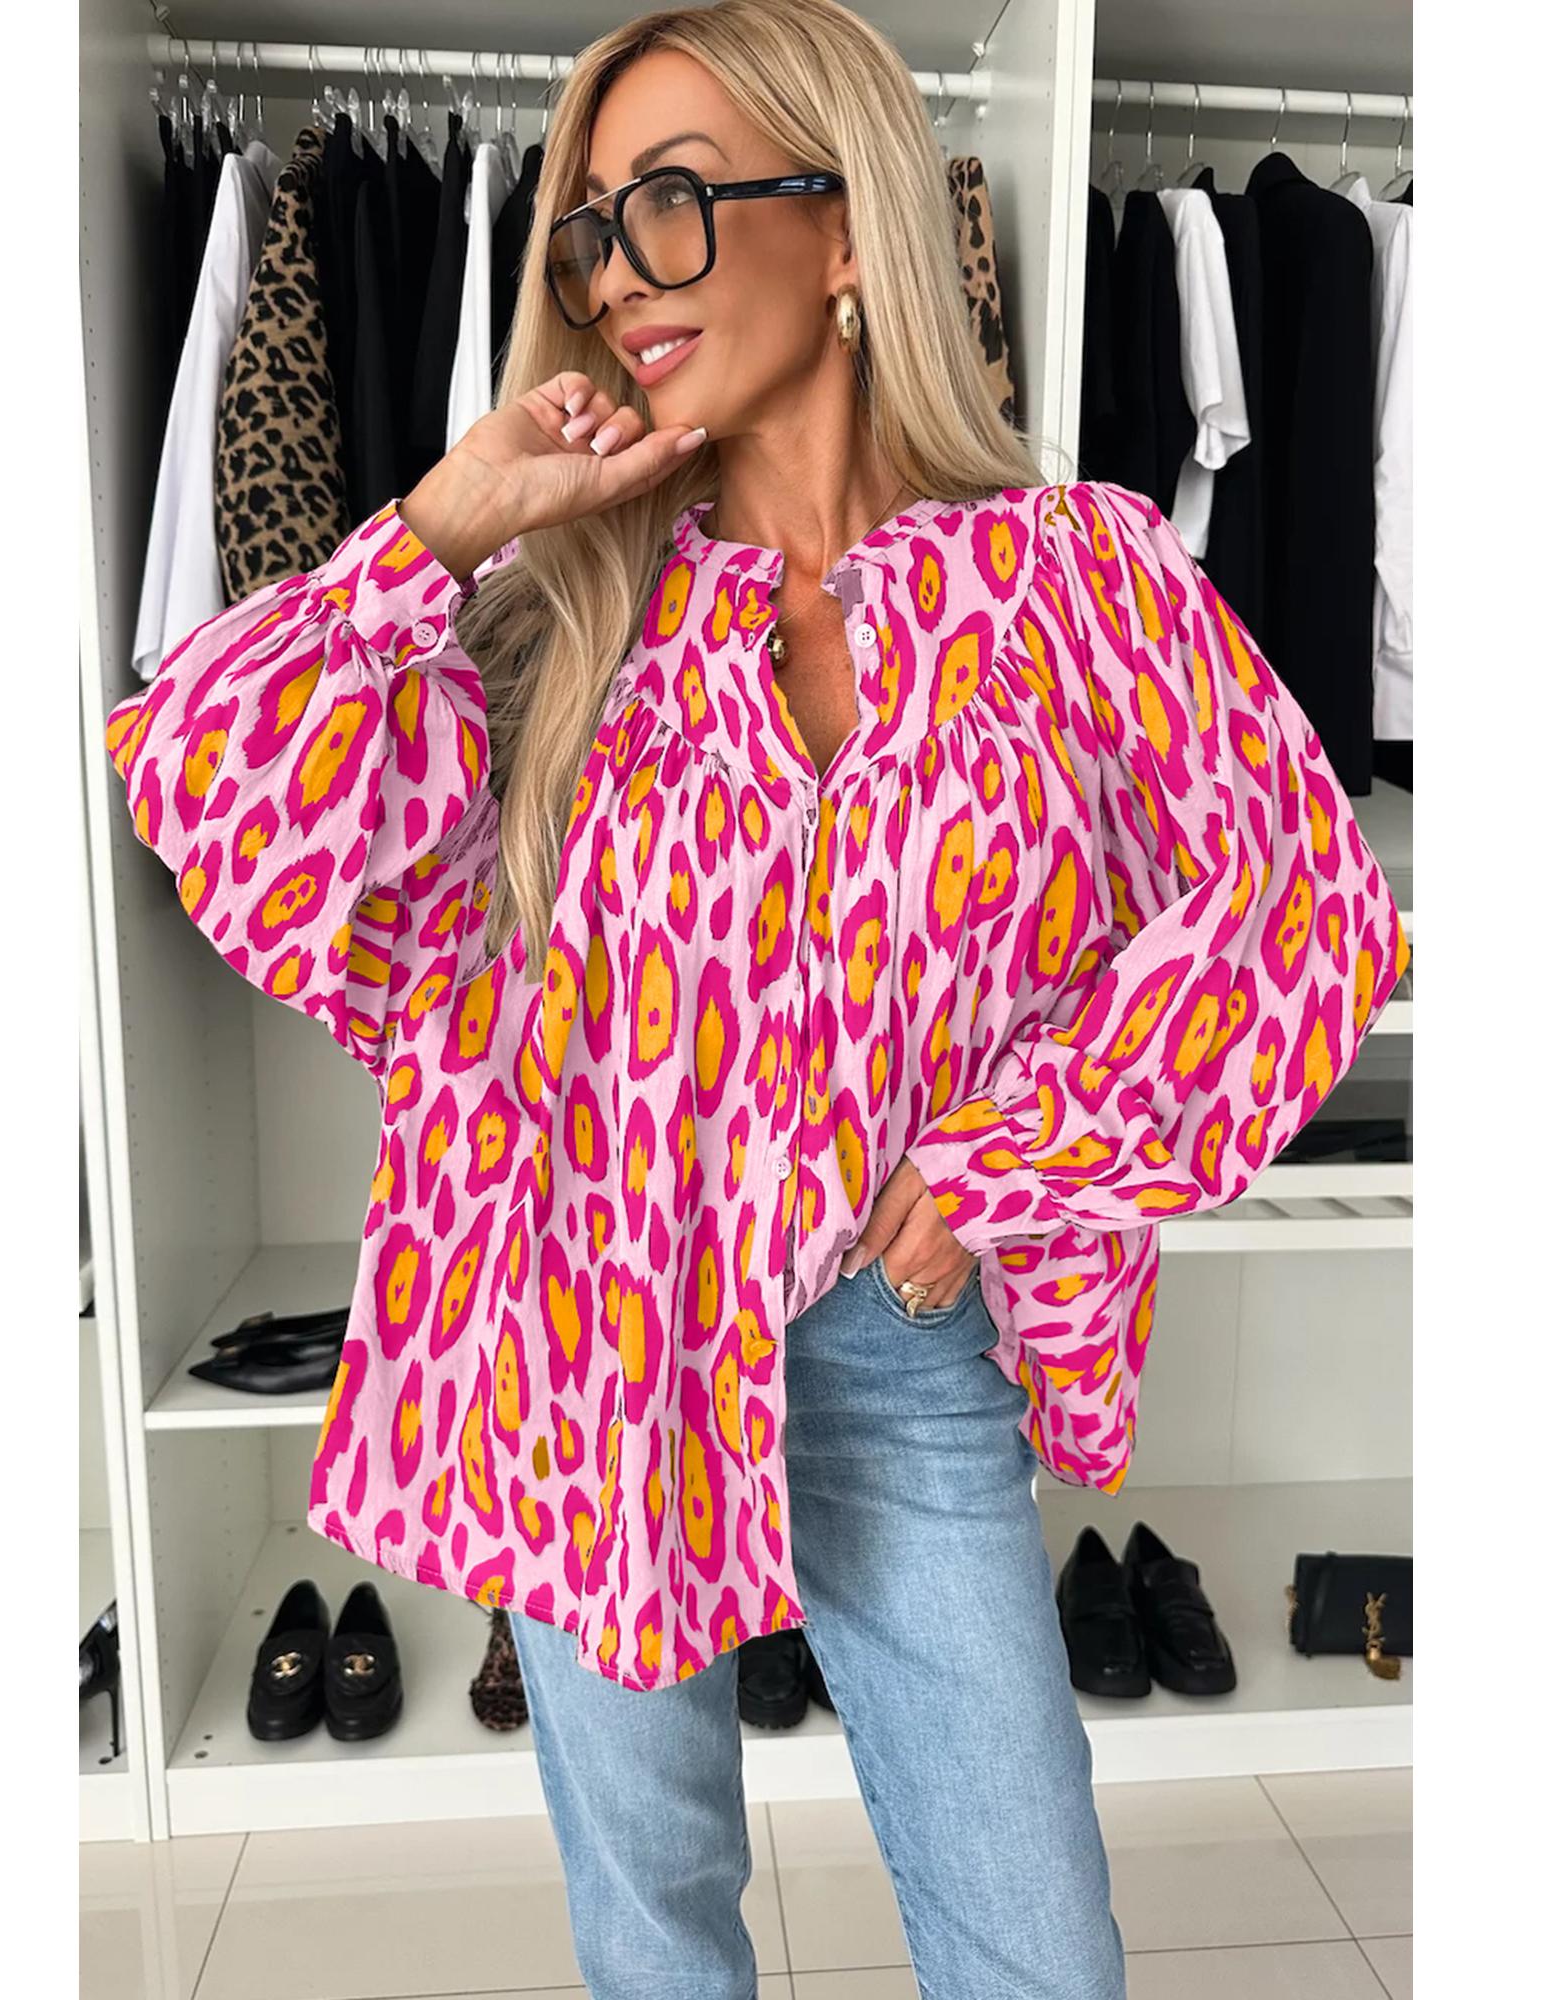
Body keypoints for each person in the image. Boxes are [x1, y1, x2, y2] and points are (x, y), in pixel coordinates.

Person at [103, 4, 1406, 1995]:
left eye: (677, 201)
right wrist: (443, 523)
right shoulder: (559, 616)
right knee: (661, 1940)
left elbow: (1302, 908)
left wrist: (1000, 1163)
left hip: (899, 1347)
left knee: (1038, 1948)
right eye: (593, 229)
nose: (621, 272)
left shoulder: (1077, 583)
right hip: (590, 1336)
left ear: (852, 220)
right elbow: (208, 784)